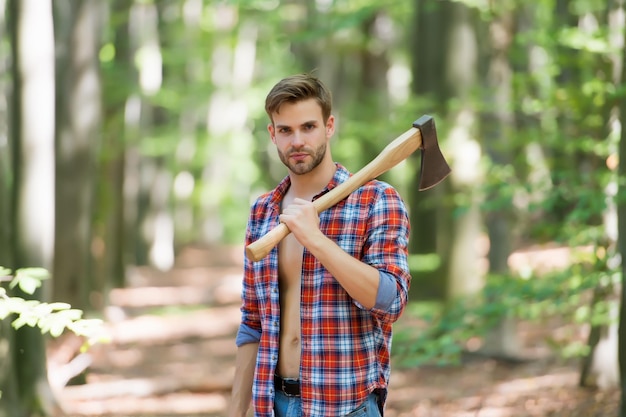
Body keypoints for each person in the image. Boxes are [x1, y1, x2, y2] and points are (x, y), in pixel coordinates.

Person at [229, 73, 411, 417]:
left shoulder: (376, 200)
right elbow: (252, 321)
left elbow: (392, 301)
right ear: (273, 134)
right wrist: (237, 409)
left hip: (345, 407)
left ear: (329, 126)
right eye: (285, 130)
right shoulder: (263, 212)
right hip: (274, 405)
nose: (297, 140)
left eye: (308, 127)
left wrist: (315, 239)